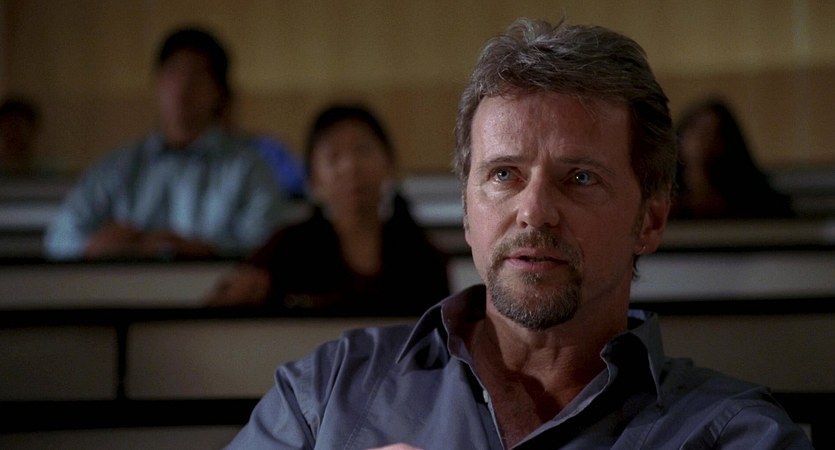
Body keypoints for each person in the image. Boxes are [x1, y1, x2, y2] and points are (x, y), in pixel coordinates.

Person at [225, 19, 811, 449]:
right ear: (466, 212)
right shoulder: (326, 392)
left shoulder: (733, 435)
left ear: (650, 220)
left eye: (580, 178)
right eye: (504, 174)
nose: (534, 211)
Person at [43, 26, 293, 260]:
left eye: (197, 75)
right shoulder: (117, 166)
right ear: (157, 82)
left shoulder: (248, 168)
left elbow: (267, 245)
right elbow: (59, 238)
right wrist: (97, 246)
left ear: (219, 92)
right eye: (173, 73)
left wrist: (204, 251)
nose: (182, 87)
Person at [206, 104, 450, 315]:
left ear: (389, 165)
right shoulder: (288, 248)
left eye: (363, 150)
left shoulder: (422, 254)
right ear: (314, 180)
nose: (350, 166)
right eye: (333, 157)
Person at [671, 97, 795, 220]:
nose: (702, 139)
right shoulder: (667, 197)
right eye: (696, 128)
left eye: (713, 133)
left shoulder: (754, 197)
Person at [0, 96, 41, 176]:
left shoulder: (50, 173)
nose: (13, 134)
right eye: (9, 126)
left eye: (18, 127)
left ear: (32, 129)